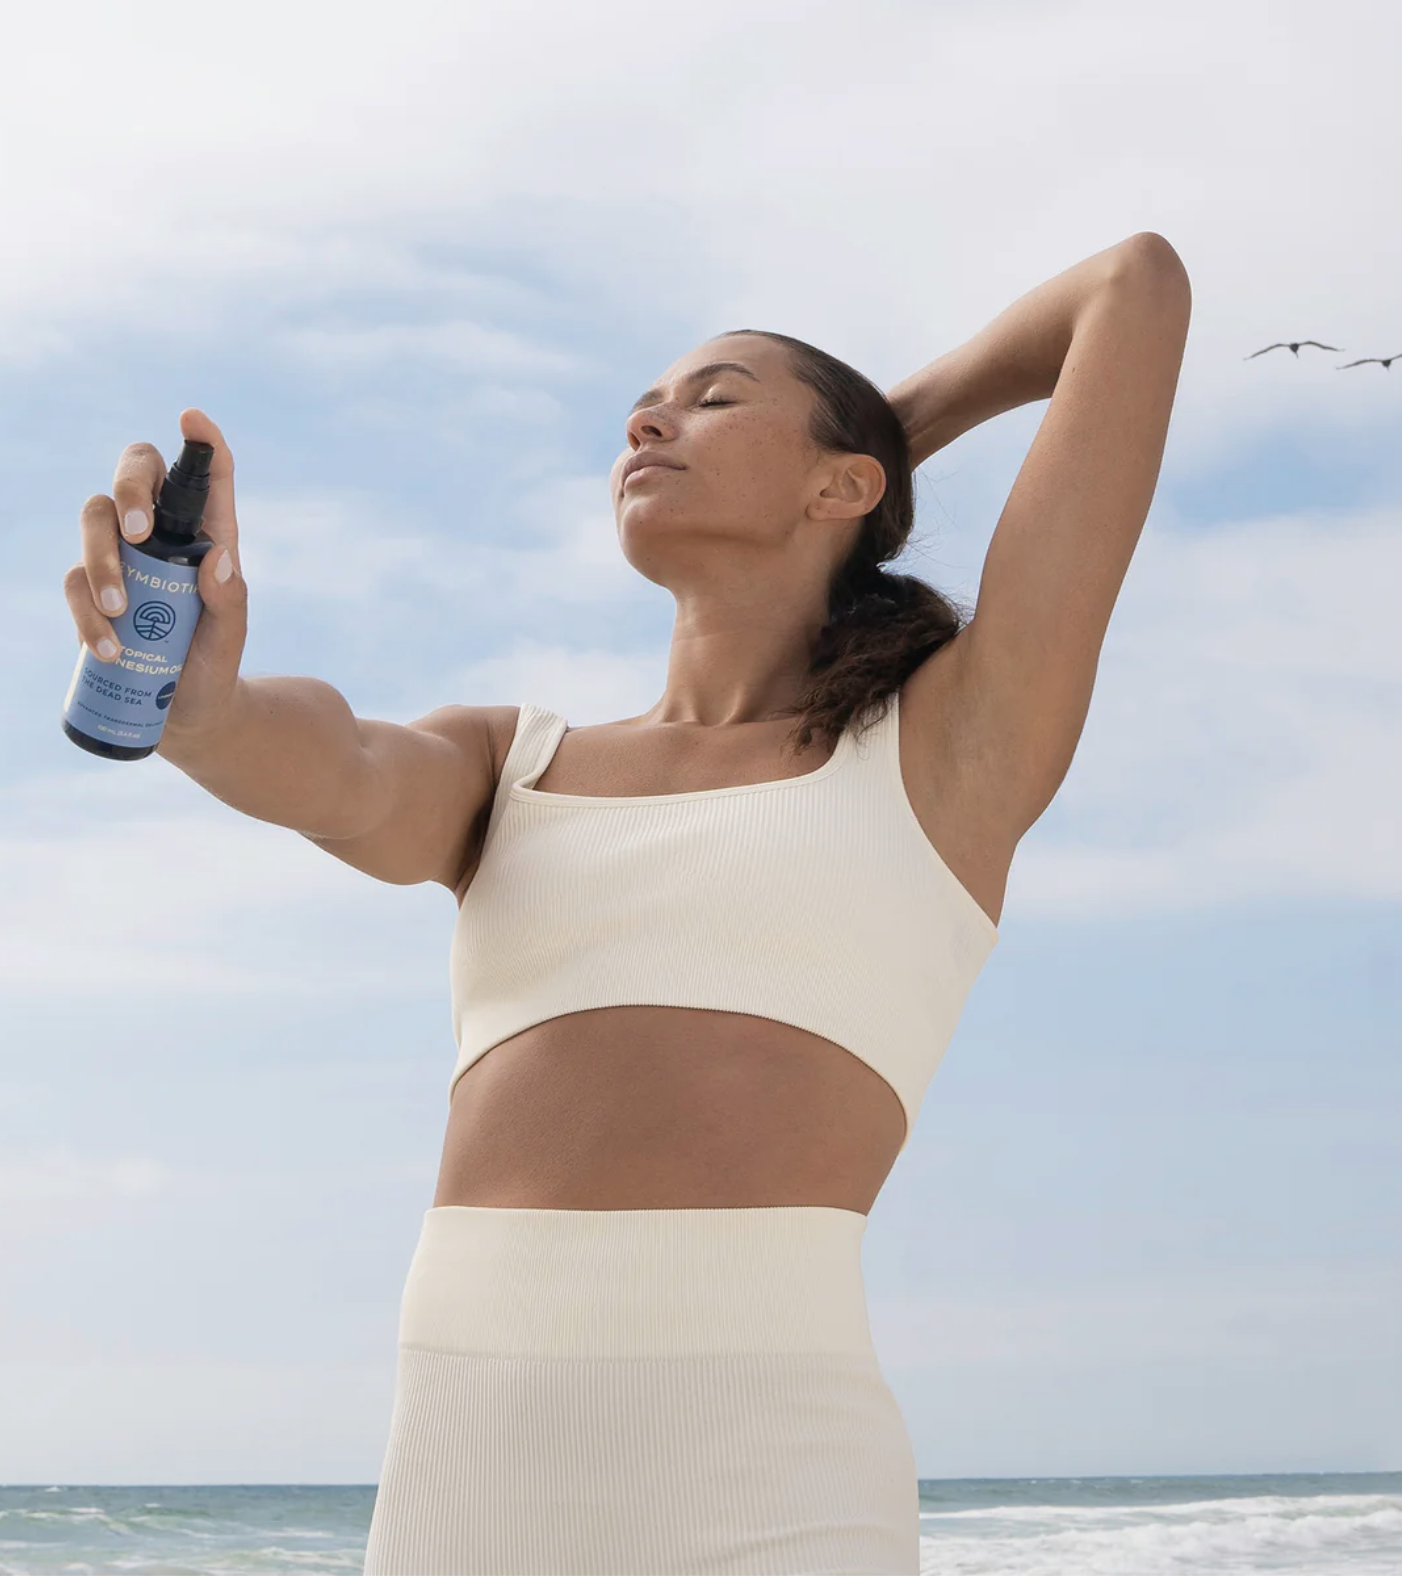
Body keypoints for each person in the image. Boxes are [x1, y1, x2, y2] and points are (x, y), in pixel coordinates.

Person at [63, 230, 1191, 1575]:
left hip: (768, 1479)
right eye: (645, 408)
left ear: (846, 477)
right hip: (458, 1480)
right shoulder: (514, 764)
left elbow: (1131, 287)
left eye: (717, 396)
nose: (650, 418)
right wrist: (205, 710)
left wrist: (881, 451)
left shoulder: (949, 749)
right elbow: (335, 763)